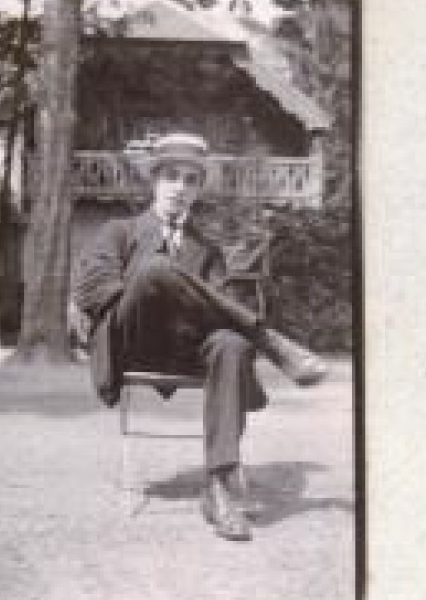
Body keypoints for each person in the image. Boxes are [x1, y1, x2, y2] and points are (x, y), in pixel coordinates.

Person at [73, 132, 327, 542]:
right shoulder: (118, 231)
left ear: (197, 189)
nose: (180, 188)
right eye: (171, 176)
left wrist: (188, 301)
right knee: (154, 270)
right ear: (154, 181)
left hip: (184, 348)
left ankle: (220, 485)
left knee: (232, 343)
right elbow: (90, 292)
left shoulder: (206, 249)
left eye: (191, 180)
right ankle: (273, 342)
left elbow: (216, 314)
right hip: (133, 339)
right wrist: (154, 287)